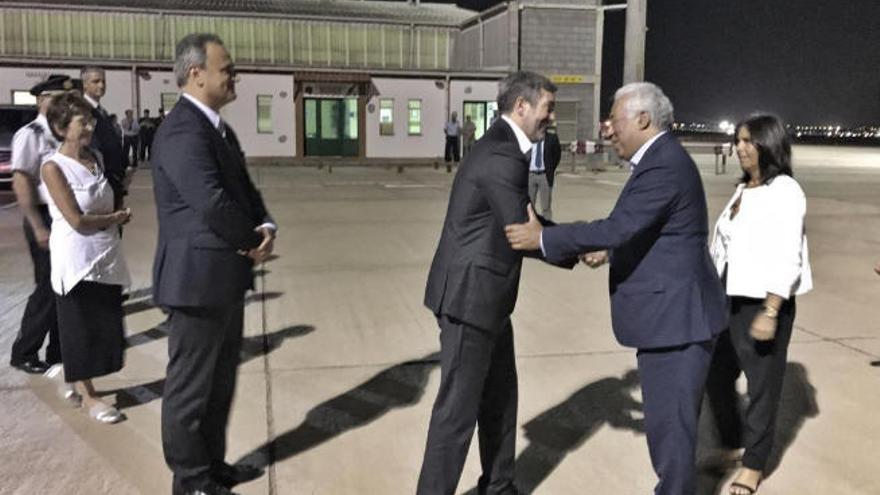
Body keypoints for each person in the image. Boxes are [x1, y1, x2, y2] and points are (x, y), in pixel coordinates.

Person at [504, 82, 727, 495]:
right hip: (672, 319)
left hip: (677, 323)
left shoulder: (662, 164)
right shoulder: (659, 160)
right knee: (668, 430)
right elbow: (650, 231)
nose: (608, 130)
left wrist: (543, 240)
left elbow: (619, 226)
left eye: (615, 119)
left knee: (672, 438)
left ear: (643, 119)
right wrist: (609, 251)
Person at [419, 71, 575, 495]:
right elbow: (522, 230)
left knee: (501, 398)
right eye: (547, 107)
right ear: (521, 107)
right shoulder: (501, 154)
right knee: (456, 414)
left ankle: (500, 485)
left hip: (488, 299)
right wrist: (582, 247)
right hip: (470, 300)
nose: (551, 117)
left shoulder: (505, 148)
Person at [152, 33, 275, 495]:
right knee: (190, 392)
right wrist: (251, 242)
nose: (234, 75)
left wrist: (266, 225)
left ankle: (213, 466)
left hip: (222, 280)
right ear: (196, 73)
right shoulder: (183, 130)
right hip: (194, 283)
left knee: (219, 385)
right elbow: (211, 202)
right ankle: (190, 480)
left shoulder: (217, 128)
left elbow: (244, 191)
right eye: (227, 68)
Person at [705, 114, 812, 495]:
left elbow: (789, 256)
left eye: (749, 141)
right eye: (738, 141)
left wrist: (771, 309)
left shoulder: (784, 190)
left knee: (762, 389)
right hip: (728, 299)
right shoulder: (744, 189)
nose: (740, 148)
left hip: (762, 304)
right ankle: (733, 442)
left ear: (769, 144)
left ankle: (753, 465)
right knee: (716, 376)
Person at [41, 92, 132, 423]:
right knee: (80, 328)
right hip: (76, 258)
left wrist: (117, 208)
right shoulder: (53, 167)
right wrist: (116, 219)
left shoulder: (95, 158)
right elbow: (76, 220)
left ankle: (72, 373)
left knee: (103, 327)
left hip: (104, 254)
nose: (90, 127)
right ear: (61, 127)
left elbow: (105, 201)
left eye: (90, 120)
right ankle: (90, 397)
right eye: (83, 122)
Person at [8, 75, 78, 376]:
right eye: (55, 98)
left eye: (67, 99)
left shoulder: (60, 133)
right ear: (40, 100)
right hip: (43, 216)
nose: (62, 103)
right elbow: (21, 181)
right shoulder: (31, 134)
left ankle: (58, 350)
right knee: (48, 287)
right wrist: (37, 226)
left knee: (63, 284)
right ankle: (24, 351)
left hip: (62, 217)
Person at [81, 66, 127, 207]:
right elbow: (85, 149)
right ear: (85, 84)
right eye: (96, 81)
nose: (101, 85)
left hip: (112, 179)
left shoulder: (101, 111)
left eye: (103, 81)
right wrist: (98, 177)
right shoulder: (83, 111)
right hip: (99, 180)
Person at [527, 124, 561, 221]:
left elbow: (557, 155)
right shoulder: (528, 138)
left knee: (546, 206)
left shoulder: (552, 138)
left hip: (545, 176)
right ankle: (530, 227)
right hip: (530, 175)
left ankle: (547, 230)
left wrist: (550, 169)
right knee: (529, 206)